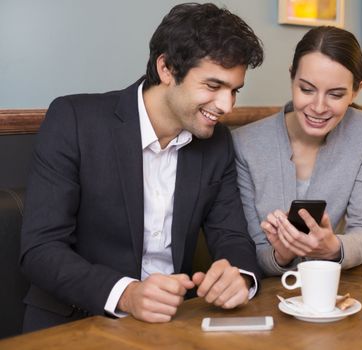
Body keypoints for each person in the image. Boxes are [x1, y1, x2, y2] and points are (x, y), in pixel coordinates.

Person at [20, 2, 264, 332]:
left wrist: (240, 277)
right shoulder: (74, 120)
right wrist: (126, 294)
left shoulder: (216, 142)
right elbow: (40, 250)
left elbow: (233, 237)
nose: (227, 106)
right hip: (75, 323)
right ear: (166, 68)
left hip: (172, 326)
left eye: (234, 90)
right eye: (213, 86)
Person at [232, 26, 362, 276]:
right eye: (307, 89)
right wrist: (282, 254)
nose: (319, 107)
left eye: (335, 94)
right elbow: (254, 252)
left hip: (336, 290)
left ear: (356, 90)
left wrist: (333, 247)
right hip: (273, 297)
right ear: (292, 78)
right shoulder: (246, 144)